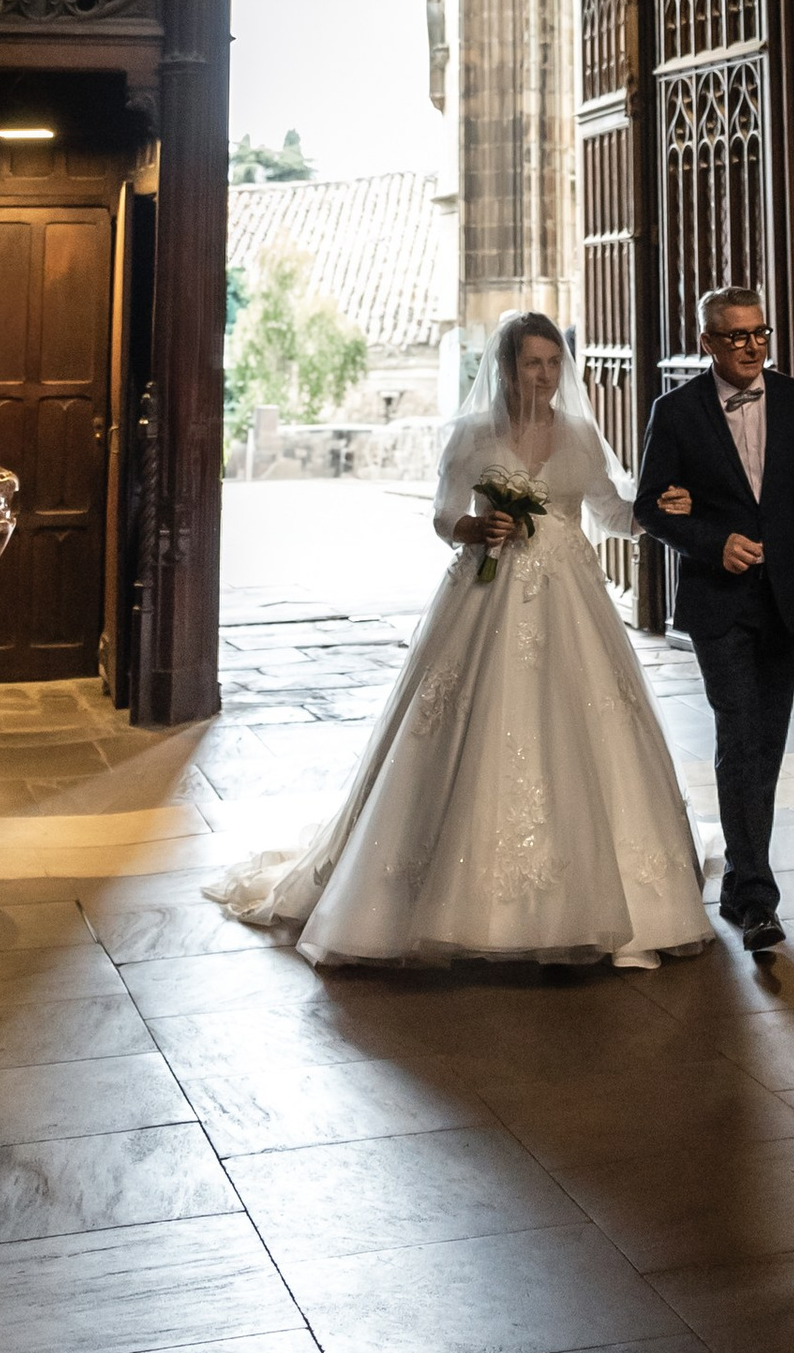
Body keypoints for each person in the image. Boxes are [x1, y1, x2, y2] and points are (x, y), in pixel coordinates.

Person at [211, 310, 711, 969]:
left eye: (554, 362)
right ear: (506, 368)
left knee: (582, 725)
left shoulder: (581, 435)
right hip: (487, 594)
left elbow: (609, 514)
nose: (545, 374)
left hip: (571, 598)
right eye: (533, 363)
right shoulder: (472, 437)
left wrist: (654, 512)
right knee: (473, 722)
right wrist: (477, 531)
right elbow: (444, 517)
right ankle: (448, 894)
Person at [633, 285, 794, 955]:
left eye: (761, 334)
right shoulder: (675, 412)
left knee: (768, 745)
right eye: (736, 336)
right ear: (707, 342)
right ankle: (756, 895)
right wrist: (711, 541)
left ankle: (738, 882)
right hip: (718, 603)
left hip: (787, 598)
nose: (753, 346)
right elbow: (650, 505)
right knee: (741, 734)